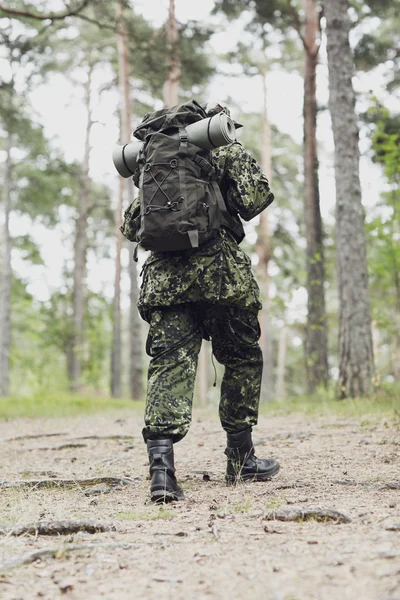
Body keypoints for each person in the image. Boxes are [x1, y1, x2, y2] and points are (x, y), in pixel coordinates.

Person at [135, 101, 280, 502]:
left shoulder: (153, 161)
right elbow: (254, 200)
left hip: (165, 281)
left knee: (169, 367)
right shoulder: (221, 150)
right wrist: (234, 155)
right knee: (241, 358)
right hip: (221, 277)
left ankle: (162, 476)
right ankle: (241, 458)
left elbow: (132, 225)